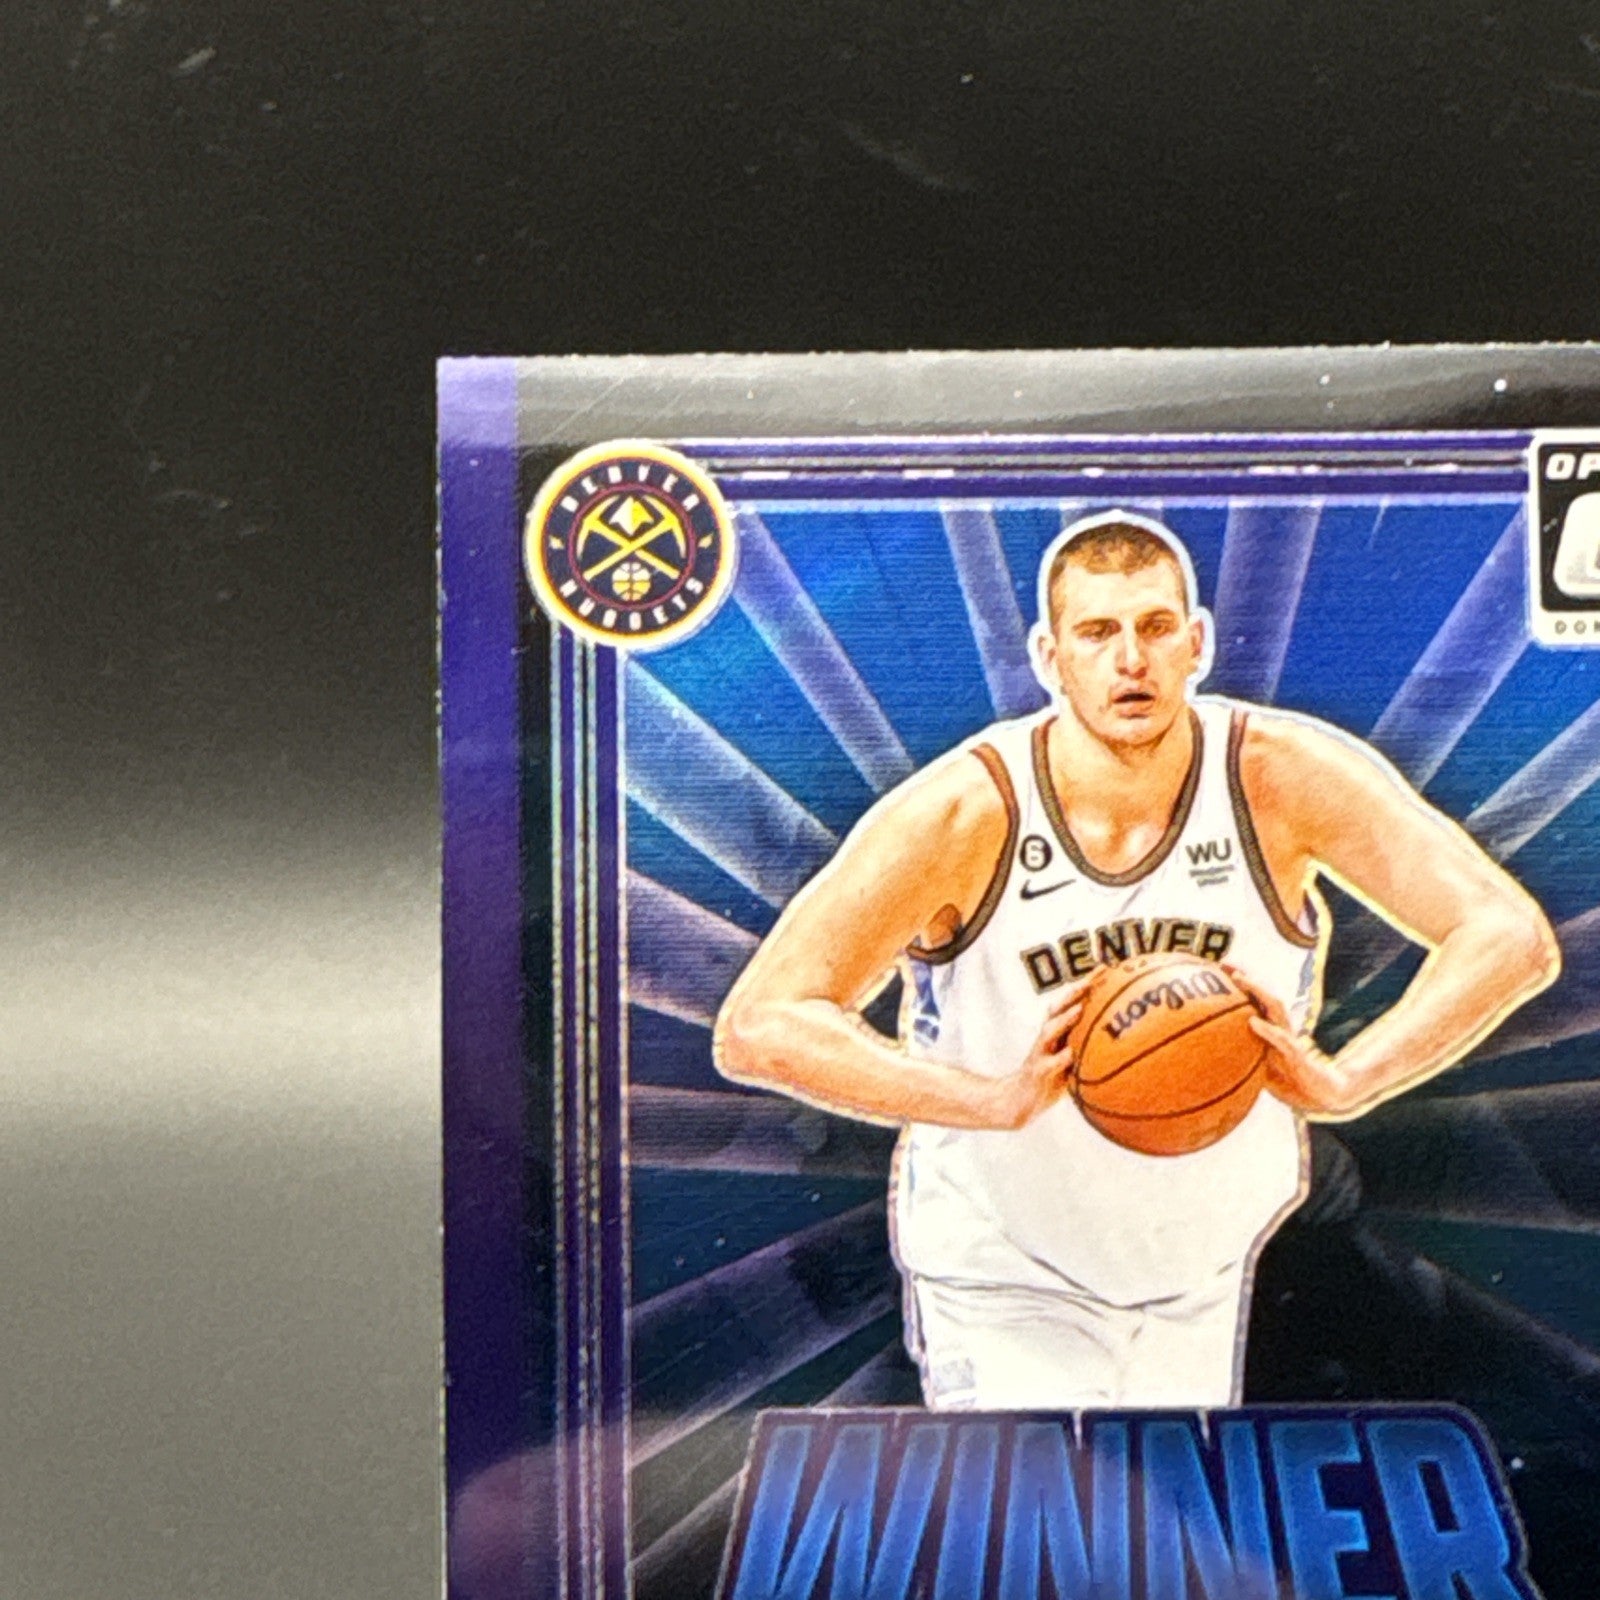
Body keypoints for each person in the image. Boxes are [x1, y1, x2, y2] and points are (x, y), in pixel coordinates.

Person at [712, 511, 1560, 1411]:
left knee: (1167, 1507)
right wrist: (988, 1100)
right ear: (1049, 657)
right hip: (1005, 1266)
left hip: (1202, 1268)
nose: (1131, 660)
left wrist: (1350, 1080)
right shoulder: (967, 810)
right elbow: (762, 1023)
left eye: (1155, 627)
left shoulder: (1278, 774)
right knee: (1046, 1506)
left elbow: (1507, 936)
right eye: (1098, 632)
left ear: (1197, 643)